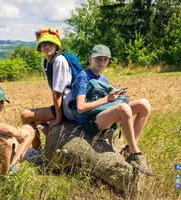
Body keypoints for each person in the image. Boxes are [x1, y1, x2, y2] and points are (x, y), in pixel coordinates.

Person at [71, 44, 152, 175]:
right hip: (89, 120)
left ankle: (128, 150)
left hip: (102, 115)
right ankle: (135, 153)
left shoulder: (103, 79)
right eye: (98, 59)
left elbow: (107, 103)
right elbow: (80, 108)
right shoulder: (83, 77)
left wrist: (116, 96)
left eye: (105, 59)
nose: (102, 63)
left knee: (144, 104)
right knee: (124, 109)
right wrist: (107, 99)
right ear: (90, 59)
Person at [21, 27, 75, 150]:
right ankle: (42, 149)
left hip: (68, 106)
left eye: (50, 43)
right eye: (43, 44)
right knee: (37, 121)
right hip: (64, 104)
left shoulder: (59, 61)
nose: (46, 46)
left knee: (25, 116)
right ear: (40, 48)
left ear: (56, 46)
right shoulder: (46, 61)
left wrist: (58, 118)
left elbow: (56, 93)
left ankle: (37, 151)